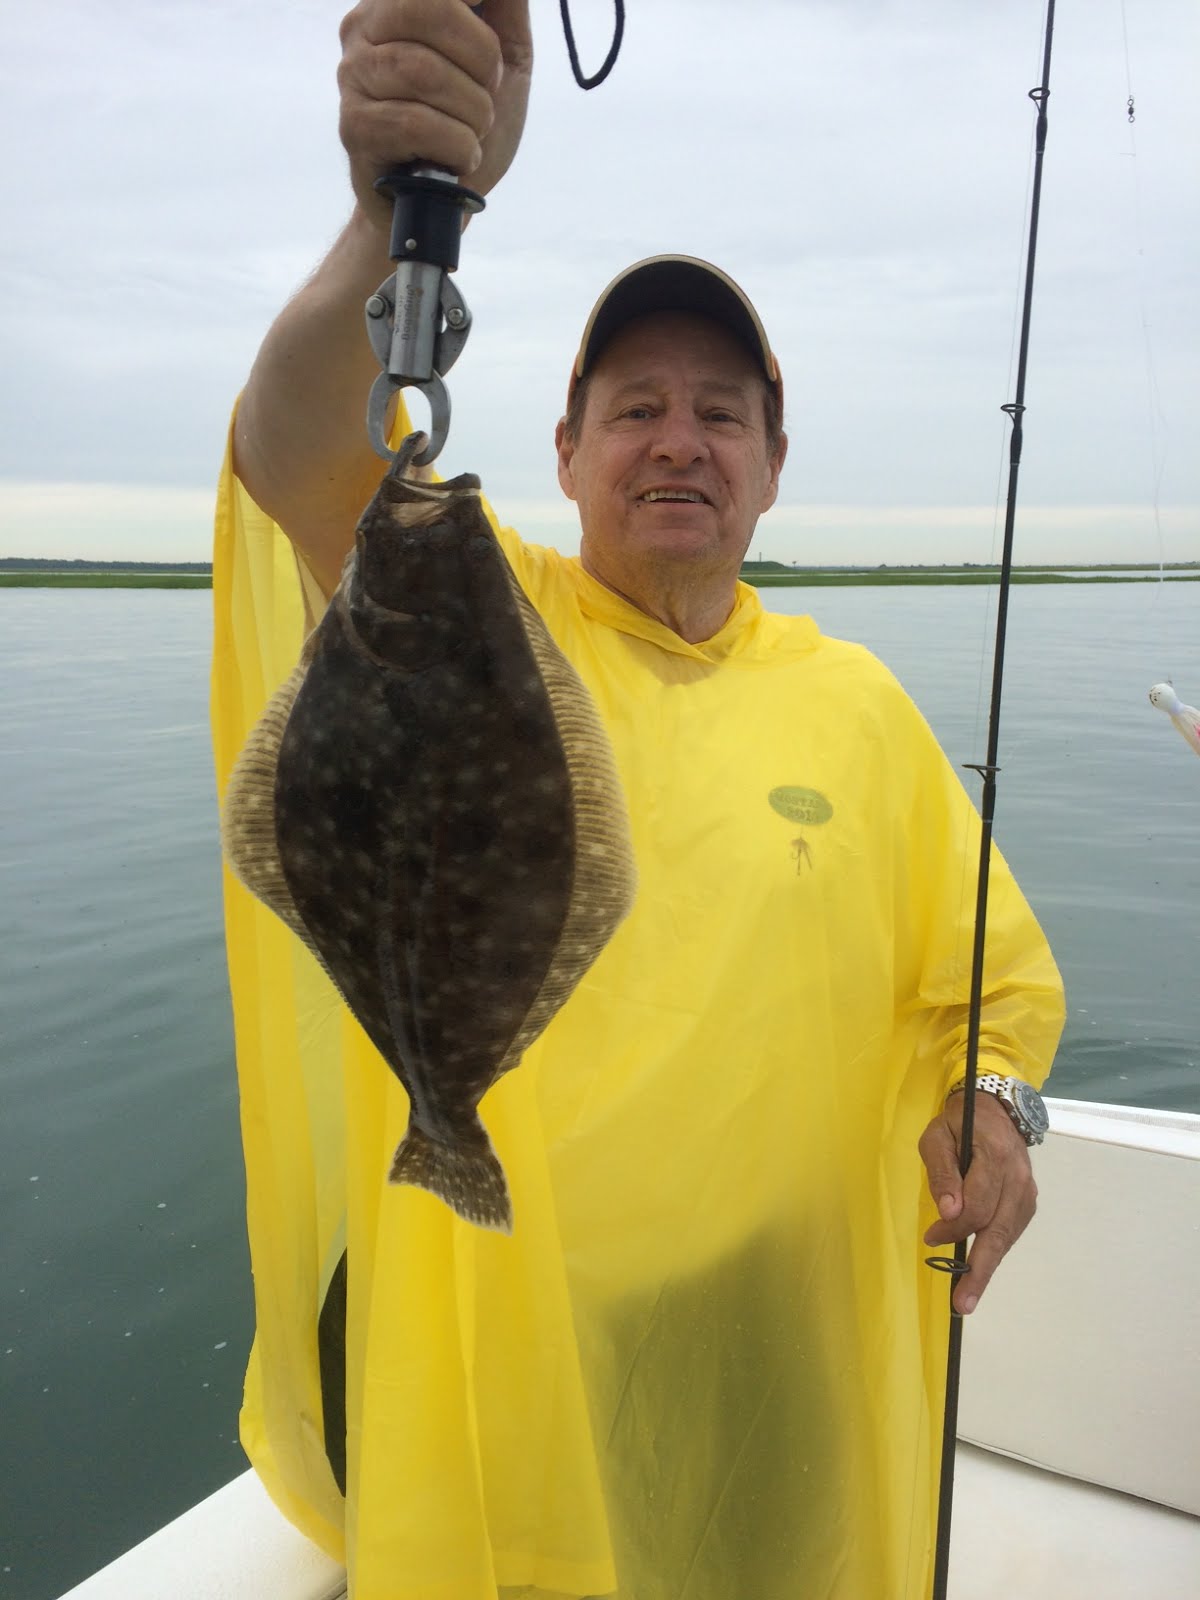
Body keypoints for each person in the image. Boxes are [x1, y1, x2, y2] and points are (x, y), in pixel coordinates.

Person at [211, 3, 1065, 1596]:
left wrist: (1001, 1110)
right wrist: (394, 209)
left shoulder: (862, 705)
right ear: (564, 446)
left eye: (721, 410)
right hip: (515, 1354)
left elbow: (993, 986)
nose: (680, 440)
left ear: (773, 460)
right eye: (637, 406)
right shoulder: (473, 595)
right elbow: (298, 445)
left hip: (777, 1346)